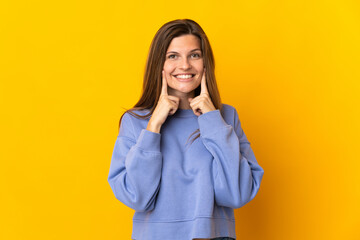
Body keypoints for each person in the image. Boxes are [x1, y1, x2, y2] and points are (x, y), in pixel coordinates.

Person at [107, 19, 264, 240]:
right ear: (159, 64)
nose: (185, 65)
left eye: (194, 55)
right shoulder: (136, 121)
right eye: (173, 56)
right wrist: (153, 128)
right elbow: (137, 197)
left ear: (205, 63)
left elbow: (237, 194)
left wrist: (213, 122)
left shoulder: (226, 117)